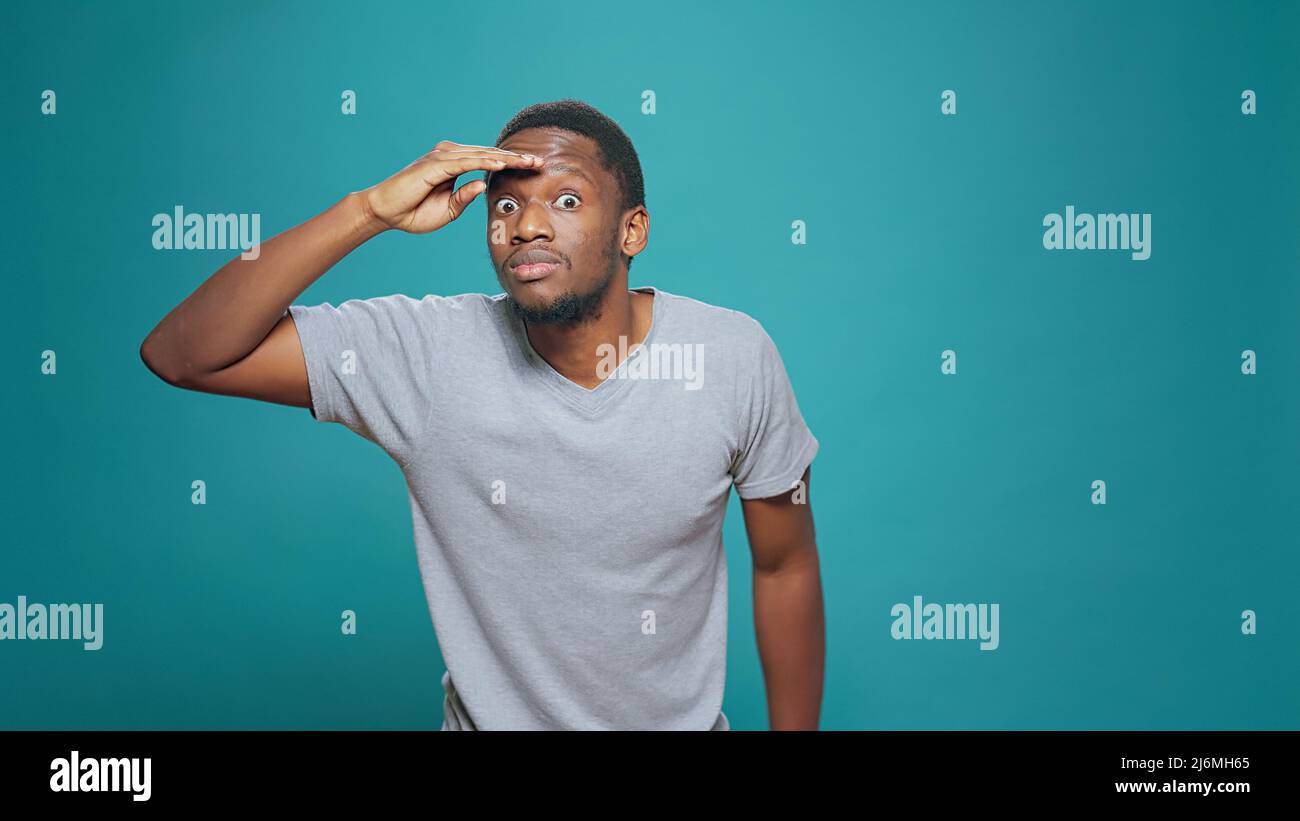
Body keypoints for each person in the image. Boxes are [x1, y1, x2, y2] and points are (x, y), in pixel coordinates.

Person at [140, 99, 824, 730]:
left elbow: (784, 565)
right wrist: (369, 210)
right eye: (504, 207)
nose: (526, 225)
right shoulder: (427, 354)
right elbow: (183, 353)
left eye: (564, 199)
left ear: (631, 229)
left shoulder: (731, 356)